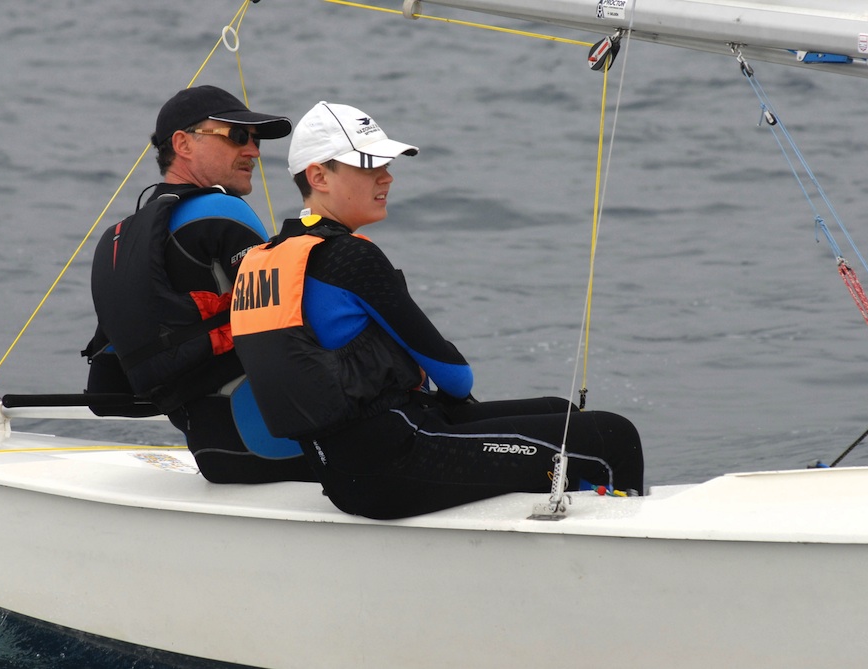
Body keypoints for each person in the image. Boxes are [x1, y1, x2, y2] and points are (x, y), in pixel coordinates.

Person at [230, 101, 643, 519]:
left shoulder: (262, 262)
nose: (386, 176)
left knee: (560, 411)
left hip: (342, 469)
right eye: (369, 165)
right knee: (611, 435)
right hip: (395, 464)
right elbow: (456, 377)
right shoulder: (349, 257)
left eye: (386, 164)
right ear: (318, 176)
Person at [85, 85, 315, 484]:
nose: (254, 152)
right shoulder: (221, 211)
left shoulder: (120, 239)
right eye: (237, 136)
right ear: (183, 144)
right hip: (275, 445)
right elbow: (290, 327)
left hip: (215, 449)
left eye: (256, 140)